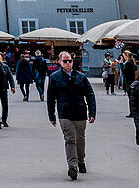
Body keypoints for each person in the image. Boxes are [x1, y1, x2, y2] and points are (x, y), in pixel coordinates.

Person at [47, 50, 96, 181]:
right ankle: (72, 166)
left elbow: (90, 95)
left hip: (80, 112)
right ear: (60, 62)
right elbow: (51, 98)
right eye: (65, 61)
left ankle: (81, 161)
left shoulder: (81, 77)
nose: (68, 63)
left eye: (70, 61)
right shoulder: (54, 77)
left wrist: (92, 113)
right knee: (70, 139)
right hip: (65, 113)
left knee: (80, 139)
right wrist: (51, 115)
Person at [121, 50, 137, 117]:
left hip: (129, 82)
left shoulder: (128, 63)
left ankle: (132, 113)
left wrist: (121, 64)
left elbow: (124, 72)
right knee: (132, 98)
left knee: (131, 99)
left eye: (124, 56)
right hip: (132, 81)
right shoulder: (132, 63)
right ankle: (133, 112)